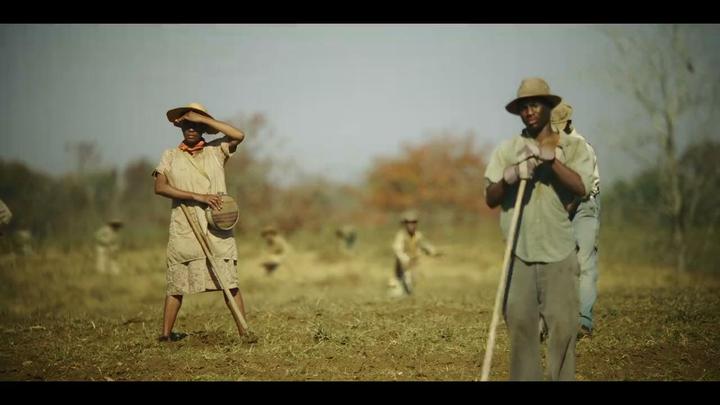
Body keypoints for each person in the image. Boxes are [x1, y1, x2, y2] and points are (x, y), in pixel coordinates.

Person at [484, 78, 594, 380]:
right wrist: (510, 175)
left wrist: (552, 163)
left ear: (548, 106)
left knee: (562, 329)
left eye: (535, 104)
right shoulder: (508, 150)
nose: (529, 111)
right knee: (520, 328)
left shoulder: (572, 147)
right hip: (518, 252)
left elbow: (583, 187)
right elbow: (490, 198)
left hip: (559, 252)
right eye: (523, 107)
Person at [153, 102, 253, 342]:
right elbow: (160, 187)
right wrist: (197, 196)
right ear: (180, 127)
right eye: (187, 124)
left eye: (197, 125)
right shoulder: (170, 155)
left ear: (204, 128)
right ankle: (166, 336)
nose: (191, 129)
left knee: (229, 280)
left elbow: (239, 135)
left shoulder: (216, 150)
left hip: (217, 227)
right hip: (185, 225)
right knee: (176, 283)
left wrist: (204, 119)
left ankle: (245, 332)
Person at [551, 102, 601, 340]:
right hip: (560, 205)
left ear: (568, 123)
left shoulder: (582, 147)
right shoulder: (549, 147)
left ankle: (584, 320)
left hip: (583, 206)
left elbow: (581, 190)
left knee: (584, 261)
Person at [389, 210, 441, 297]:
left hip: (413, 264)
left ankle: (407, 294)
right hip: (403, 265)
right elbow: (397, 249)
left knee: (411, 281)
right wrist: (404, 258)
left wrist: (432, 251)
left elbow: (424, 244)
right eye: (408, 223)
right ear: (405, 224)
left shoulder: (418, 235)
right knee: (400, 285)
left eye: (413, 222)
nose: (411, 225)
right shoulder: (401, 235)